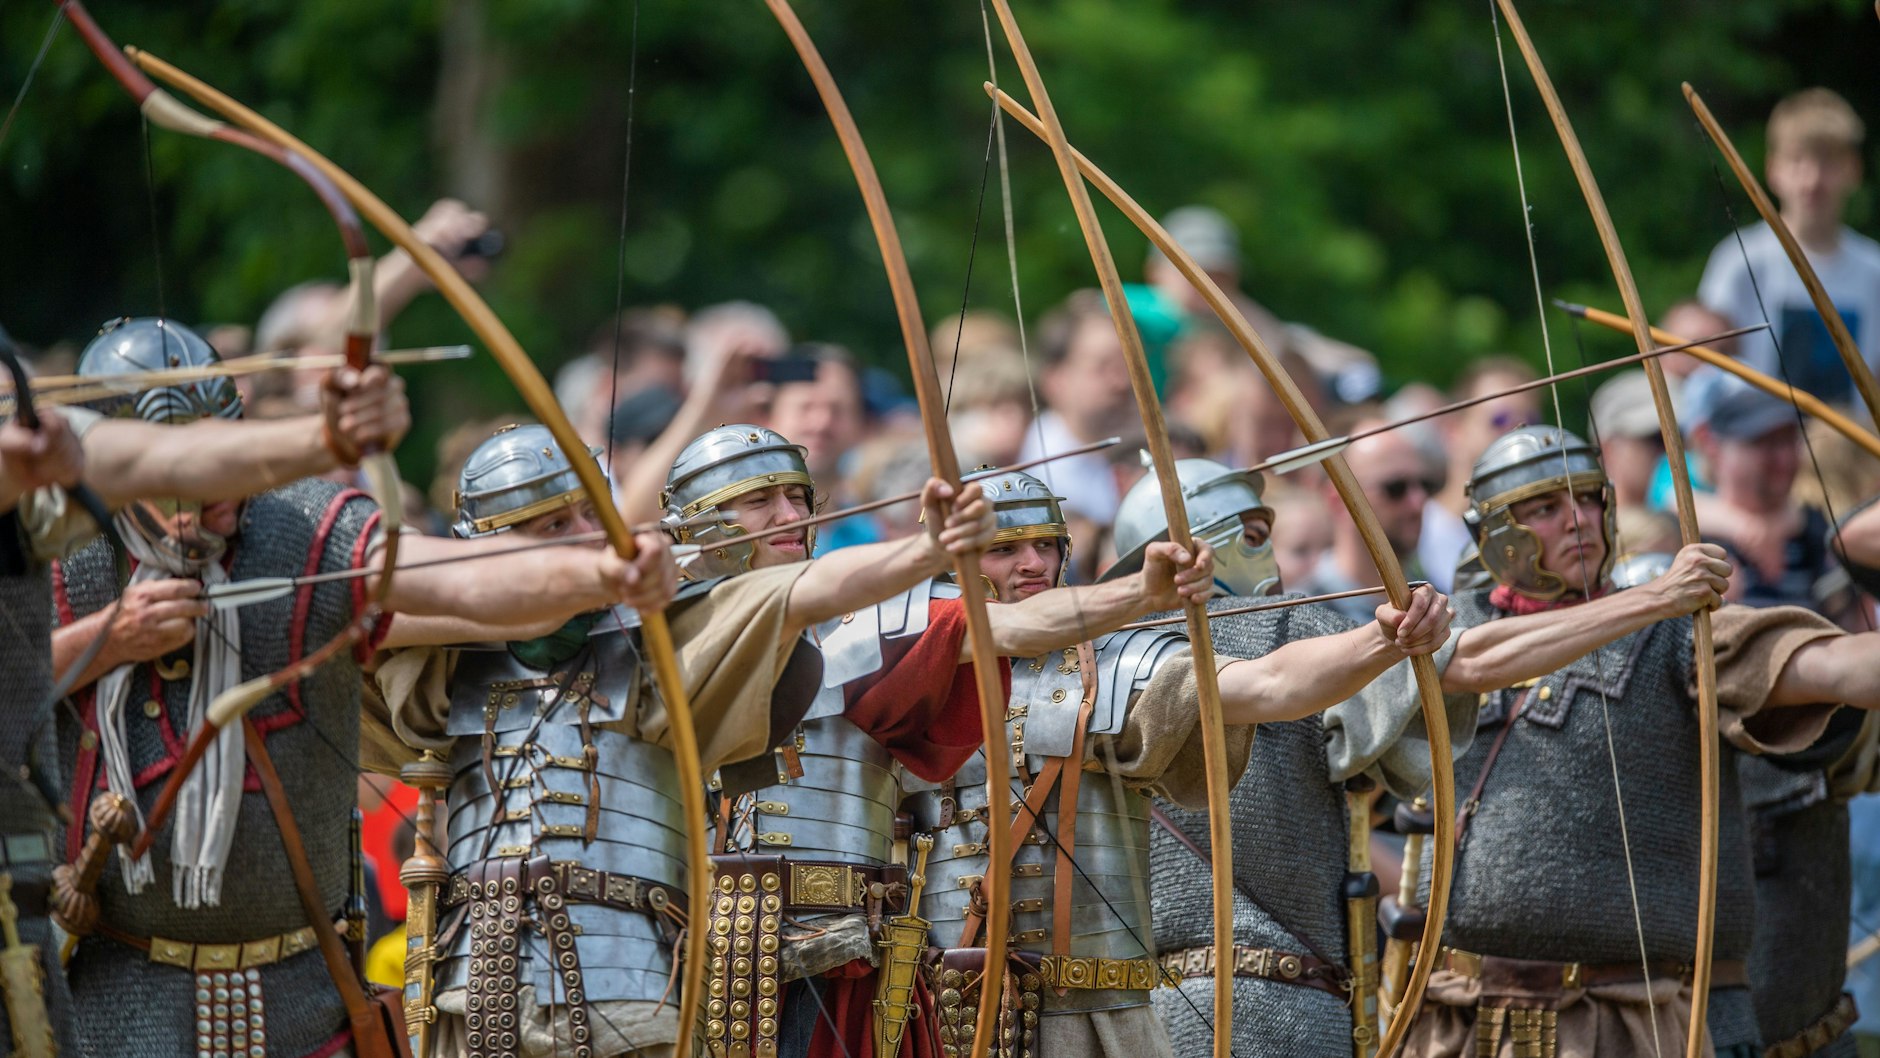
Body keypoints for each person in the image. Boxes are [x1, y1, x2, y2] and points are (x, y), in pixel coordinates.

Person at [47, 323, 678, 1058]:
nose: (213, 491)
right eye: (177, 473)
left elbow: (453, 579)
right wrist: (109, 640)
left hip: (303, 992)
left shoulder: (303, 525)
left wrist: (597, 575)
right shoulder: (58, 555)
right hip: (111, 988)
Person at [368, 421, 1000, 1058]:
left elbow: (814, 587)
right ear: (483, 549)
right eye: (555, 524)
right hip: (478, 978)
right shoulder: (441, 659)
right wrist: (520, 597)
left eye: (593, 513)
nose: (587, 534)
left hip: (633, 977)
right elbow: (360, 602)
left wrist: (924, 553)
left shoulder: (666, 631)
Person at [661, 426, 1214, 1058]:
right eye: (762, 501)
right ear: (699, 522)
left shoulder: (864, 621)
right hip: (681, 952)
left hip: (837, 953)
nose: (791, 516)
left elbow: (1010, 626)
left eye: (798, 497)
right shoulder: (640, 634)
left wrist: (1139, 594)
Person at [906, 464, 1452, 1058]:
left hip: (1084, 1017)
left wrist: (1382, 640)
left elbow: (1269, 683)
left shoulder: (1102, 668)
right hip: (933, 1009)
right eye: (1005, 549)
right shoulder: (903, 680)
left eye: (1046, 545)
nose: (1034, 563)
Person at [1401, 424, 1880, 1058]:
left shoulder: (1679, 632)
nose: (1579, 519)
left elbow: (1840, 668)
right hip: (1464, 1023)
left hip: (1636, 1024)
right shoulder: (1441, 631)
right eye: (1545, 508)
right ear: (1491, 532)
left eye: (1590, 498)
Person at [1081, 458, 1474, 1058]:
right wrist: (1404, 635)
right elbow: (1467, 664)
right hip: (1277, 999)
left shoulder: (1106, 661)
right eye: (1255, 537)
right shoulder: (1285, 630)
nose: (1271, 559)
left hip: (1162, 1011)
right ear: (1202, 546)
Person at [1699, 88, 1880, 407]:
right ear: (1773, 169)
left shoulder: (1873, 270)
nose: (1812, 180)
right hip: (1760, 451)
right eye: (1797, 160)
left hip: (1854, 451)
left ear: (1853, 169)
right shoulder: (1739, 261)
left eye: (1828, 163)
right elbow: (1706, 373)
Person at [1691, 382, 1854, 624]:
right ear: (1711, 444)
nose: (1784, 457)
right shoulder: (1690, 538)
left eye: (1790, 440)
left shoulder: (1818, 529)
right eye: (1765, 442)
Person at [1017, 291, 1141, 532]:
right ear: (1055, 380)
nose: (1121, 382)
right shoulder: (1035, 469)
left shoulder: (1154, 440)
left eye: (1127, 365)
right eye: (1102, 367)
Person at [1295, 424, 1434, 624]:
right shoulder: (1304, 612)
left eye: (1425, 485)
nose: (1418, 501)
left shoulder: (1430, 591)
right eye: (1395, 488)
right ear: (1338, 500)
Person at [1421, 358, 1539, 591]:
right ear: (1453, 431)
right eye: (1500, 420)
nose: (1517, 437)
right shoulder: (1414, 529)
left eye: (1529, 424)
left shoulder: (1536, 535)